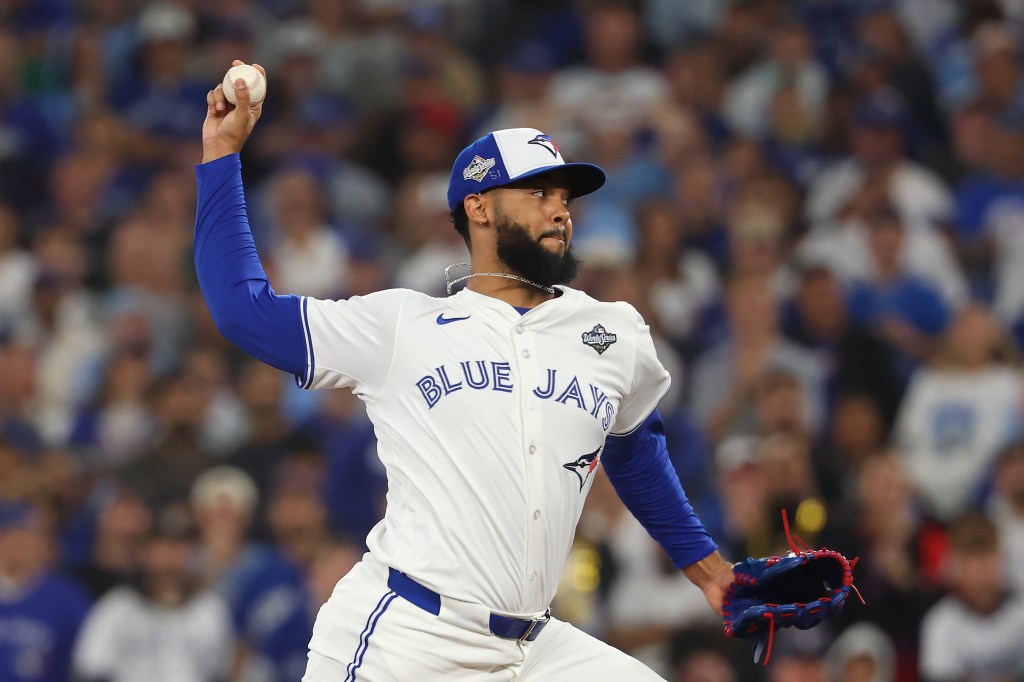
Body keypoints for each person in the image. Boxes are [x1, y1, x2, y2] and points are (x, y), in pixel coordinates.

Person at [195, 61, 733, 681]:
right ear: (478, 208)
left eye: (565, 197)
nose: (560, 211)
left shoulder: (612, 333)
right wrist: (221, 155)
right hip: (408, 637)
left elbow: (635, 450)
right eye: (538, 193)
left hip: (533, 648)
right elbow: (243, 313)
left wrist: (712, 574)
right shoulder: (402, 327)